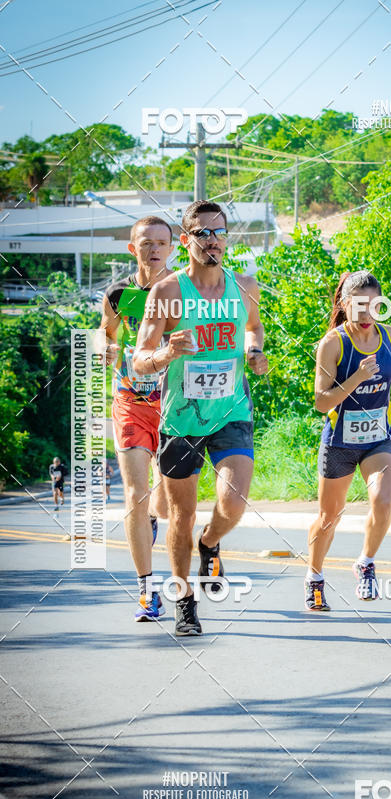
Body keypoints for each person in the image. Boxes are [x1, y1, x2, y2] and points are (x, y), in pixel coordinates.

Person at [133, 200, 268, 638]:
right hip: (181, 417)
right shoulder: (167, 294)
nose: (213, 240)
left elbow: (254, 327)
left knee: (234, 503)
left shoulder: (244, 286)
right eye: (203, 233)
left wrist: (254, 350)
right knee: (181, 516)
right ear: (186, 240)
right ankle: (185, 601)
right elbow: (139, 360)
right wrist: (167, 353)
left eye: (220, 232)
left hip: (232, 410)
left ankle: (211, 543)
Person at [305, 270, 391, 611]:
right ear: (344, 304)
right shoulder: (333, 344)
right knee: (329, 516)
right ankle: (314, 577)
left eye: (374, 305)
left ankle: (365, 562)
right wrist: (356, 377)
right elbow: (322, 402)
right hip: (339, 441)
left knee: (382, 502)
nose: (367, 314)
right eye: (359, 306)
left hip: (378, 440)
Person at [100, 215, 172, 623]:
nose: (154, 249)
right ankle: (147, 590)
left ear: (172, 247)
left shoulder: (181, 292)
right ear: (133, 248)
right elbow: (106, 333)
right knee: (134, 494)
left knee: (161, 502)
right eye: (146, 243)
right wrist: (105, 348)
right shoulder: (119, 294)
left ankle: (150, 520)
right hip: (130, 400)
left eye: (162, 242)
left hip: (175, 404)